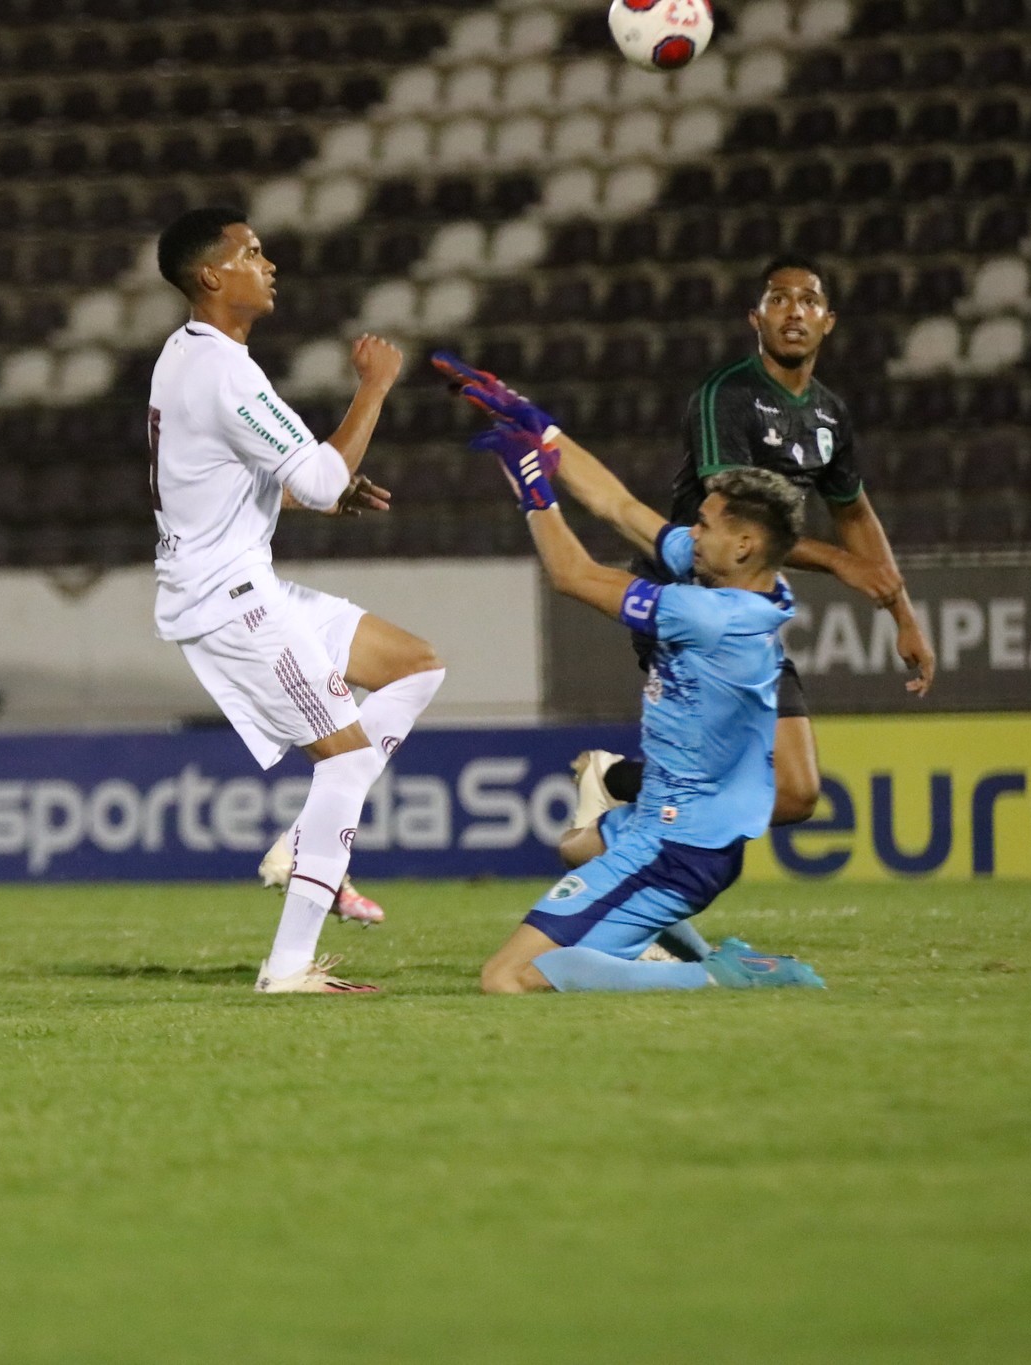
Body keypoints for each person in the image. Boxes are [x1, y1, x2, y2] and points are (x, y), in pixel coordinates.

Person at [483, 258, 937, 846]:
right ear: (756, 318)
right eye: (779, 299)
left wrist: (903, 613)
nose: (794, 310)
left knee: (794, 794)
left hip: (745, 617)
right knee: (709, 796)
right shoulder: (726, 399)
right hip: (690, 601)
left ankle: (617, 793)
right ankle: (617, 846)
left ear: (829, 321)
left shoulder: (829, 415)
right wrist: (535, 461)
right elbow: (728, 524)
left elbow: (853, 512)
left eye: (808, 300)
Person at [443, 367, 825, 994]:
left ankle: (715, 977)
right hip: (674, 829)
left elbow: (573, 574)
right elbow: (619, 506)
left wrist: (533, 488)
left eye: (704, 525)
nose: (689, 534)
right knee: (577, 846)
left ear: (746, 544)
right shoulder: (744, 582)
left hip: (674, 846)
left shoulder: (708, 613)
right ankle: (687, 950)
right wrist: (536, 423)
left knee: (508, 977)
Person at [148, 207, 446, 994]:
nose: (268, 263)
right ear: (211, 275)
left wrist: (314, 488)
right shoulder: (223, 370)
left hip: (242, 579)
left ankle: (304, 842)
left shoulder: (186, 357)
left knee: (416, 667)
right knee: (344, 762)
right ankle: (287, 967)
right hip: (228, 599)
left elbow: (236, 480)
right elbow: (318, 477)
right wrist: (374, 388)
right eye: (250, 253)